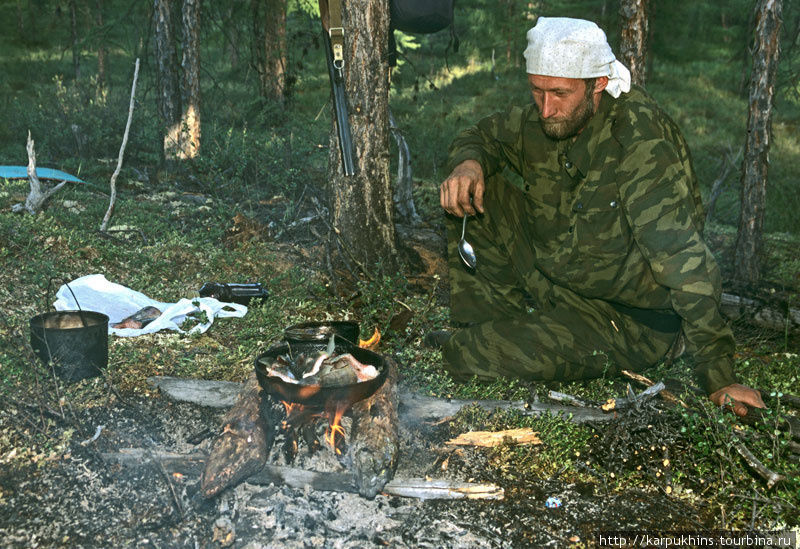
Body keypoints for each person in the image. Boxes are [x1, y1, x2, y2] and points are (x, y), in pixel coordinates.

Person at [437, 17, 764, 417]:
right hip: (560, 280)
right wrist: (468, 164)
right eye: (536, 90)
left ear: (598, 85)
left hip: (627, 322)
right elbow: (481, 135)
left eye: (559, 93)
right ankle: (493, 325)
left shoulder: (640, 144)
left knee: (465, 355)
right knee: (470, 190)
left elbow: (684, 260)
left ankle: (492, 342)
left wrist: (718, 375)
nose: (545, 108)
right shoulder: (543, 120)